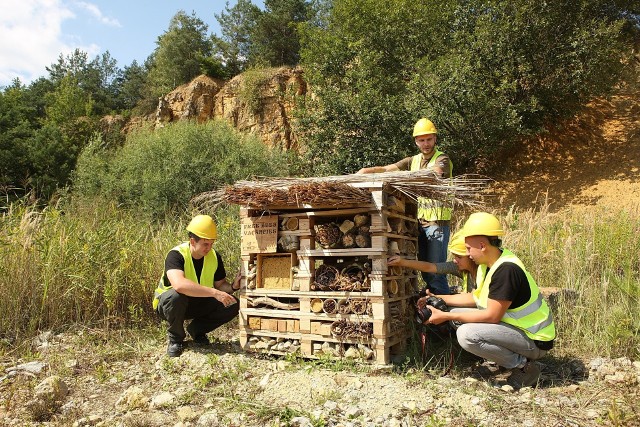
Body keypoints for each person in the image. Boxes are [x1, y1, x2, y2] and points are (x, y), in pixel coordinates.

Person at [421, 212, 556, 388]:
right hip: (517, 329)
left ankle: (523, 366)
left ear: (482, 245)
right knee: (455, 313)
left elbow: (492, 316)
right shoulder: (490, 264)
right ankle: (499, 360)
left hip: (534, 339)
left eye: (469, 248)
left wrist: (445, 317)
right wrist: (438, 298)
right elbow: (476, 298)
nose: (468, 254)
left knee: (467, 335)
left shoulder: (506, 270)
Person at [357, 118, 453, 294]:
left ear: (435, 139)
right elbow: (387, 169)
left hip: (437, 224)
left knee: (435, 272)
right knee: (426, 270)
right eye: (422, 140)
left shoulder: (442, 159)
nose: (426, 144)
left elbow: (436, 173)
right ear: (416, 141)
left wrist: (408, 176)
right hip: (420, 223)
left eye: (429, 139)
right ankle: (436, 308)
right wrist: (367, 170)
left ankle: (444, 311)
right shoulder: (412, 161)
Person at [153, 214, 241, 357]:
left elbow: (220, 285)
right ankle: (176, 339)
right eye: (205, 244)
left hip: (198, 302)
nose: (209, 248)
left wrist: (233, 287)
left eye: (212, 243)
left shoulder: (214, 256)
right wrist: (214, 293)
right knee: (176, 296)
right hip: (170, 305)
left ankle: (197, 331)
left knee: (233, 304)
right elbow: (179, 285)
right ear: (193, 241)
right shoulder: (176, 255)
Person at [388, 229, 478, 293]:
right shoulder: (457, 266)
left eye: (459, 257)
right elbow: (430, 267)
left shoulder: (485, 272)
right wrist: (402, 262)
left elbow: (474, 300)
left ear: (470, 255)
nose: (455, 260)